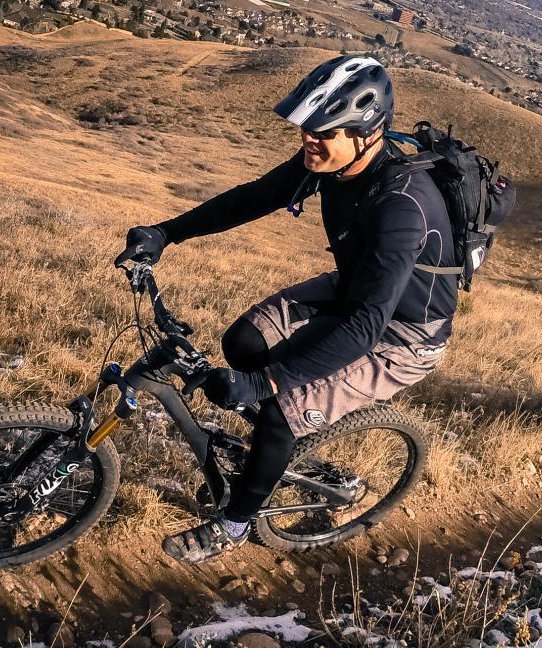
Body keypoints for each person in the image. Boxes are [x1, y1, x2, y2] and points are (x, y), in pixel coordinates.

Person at [115, 55, 458, 564]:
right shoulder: (331, 163)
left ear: (367, 134)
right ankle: (281, 446)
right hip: (354, 290)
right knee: (244, 343)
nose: (308, 141)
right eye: (306, 129)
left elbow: (366, 327)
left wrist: (268, 384)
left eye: (324, 131)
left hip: (403, 333)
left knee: (277, 412)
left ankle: (234, 524)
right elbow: (252, 198)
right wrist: (166, 233)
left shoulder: (402, 207)